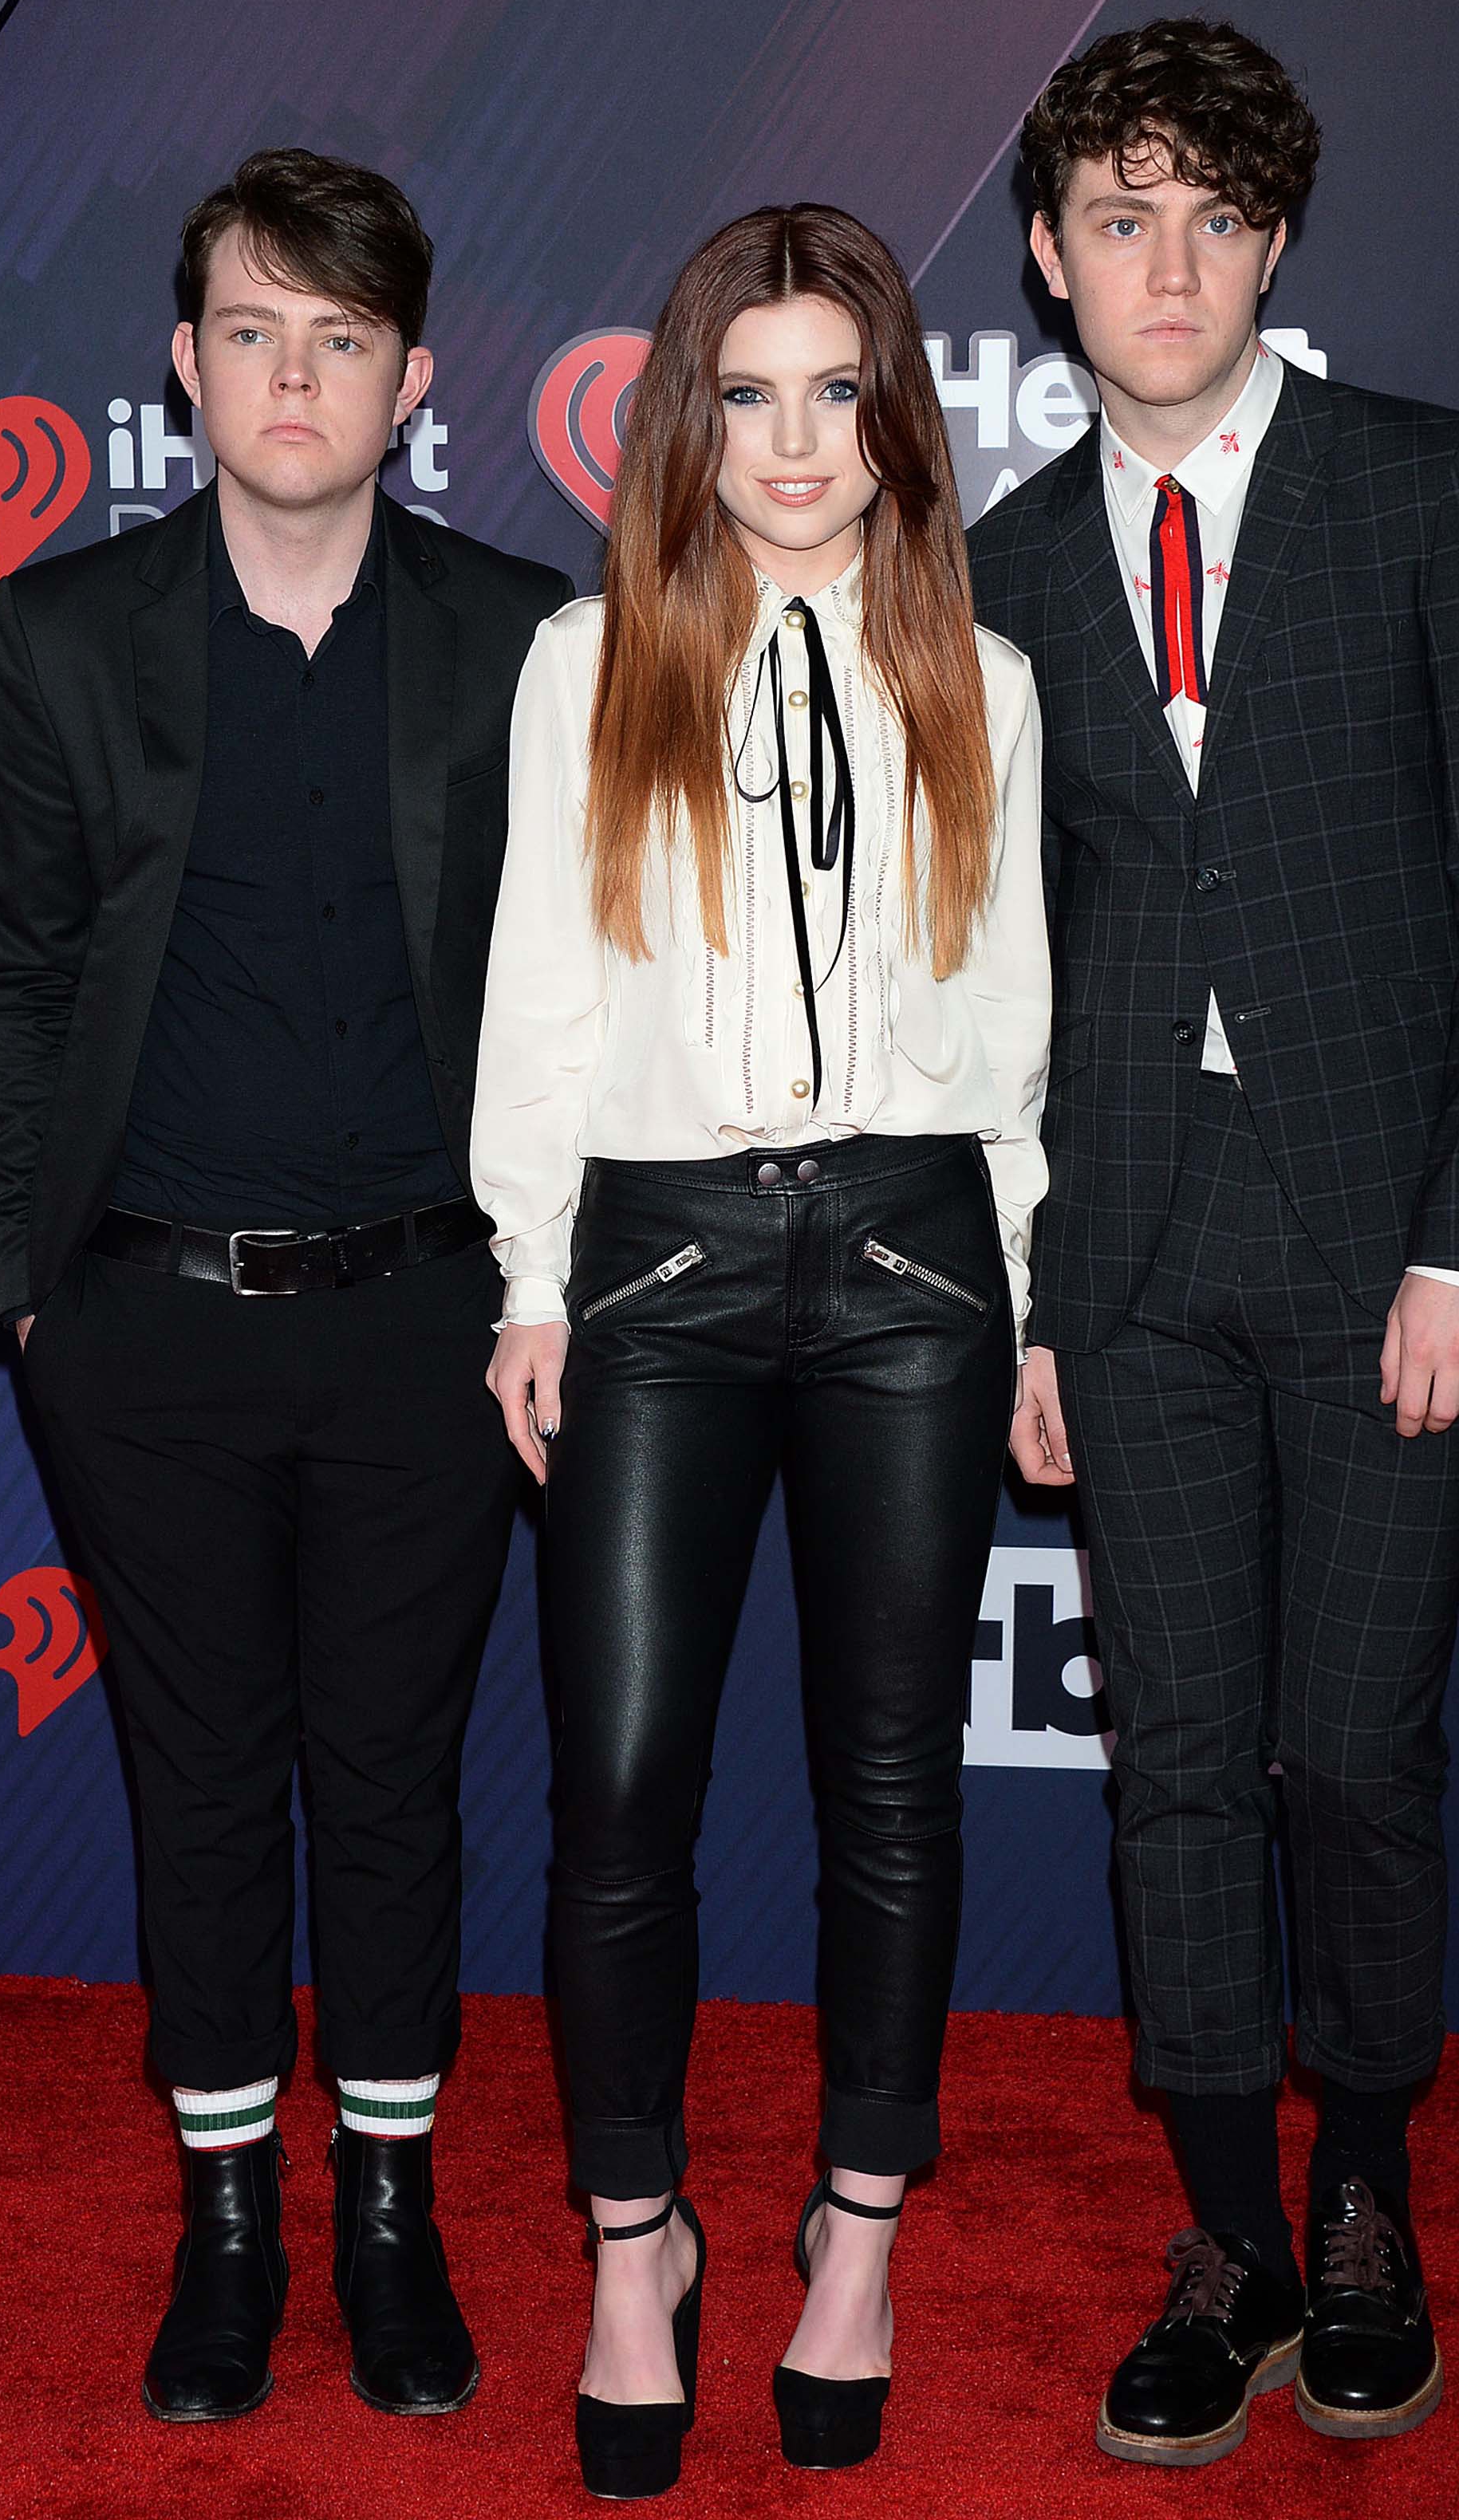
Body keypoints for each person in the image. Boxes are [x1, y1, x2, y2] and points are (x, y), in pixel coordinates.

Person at [968, 18, 1459, 2468]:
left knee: (1351, 1757)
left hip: (1383, 1239)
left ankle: (1361, 2194)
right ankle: (1222, 2232)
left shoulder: (1431, 488)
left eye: (1213, 219)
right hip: (1127, 1245)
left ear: (1272, 246)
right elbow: (989, 977)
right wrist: (1029, 1294)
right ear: (1045, 252)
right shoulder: (994, 570)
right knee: (1173, 1786)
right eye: (1117, 218)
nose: (1166, 264)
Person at [0, 148, 570, 2424]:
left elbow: (593, 987)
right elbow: (13, 984)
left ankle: (390, 2229)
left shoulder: (524, 635)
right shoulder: (62, 630)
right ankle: (228, 2233)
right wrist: (30, 1283)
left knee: (394, 1785)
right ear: (186, 362)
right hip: (143, 1326)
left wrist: (554, 1284)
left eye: (339, 340)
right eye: (251, 333)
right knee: (200, 1784)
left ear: (413, 379)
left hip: (433, 1319)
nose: (291, 378)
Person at [471, 203, 1049, 2498]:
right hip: (655, 1265)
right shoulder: (580, 657)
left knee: (890, 1786)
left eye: (835, 392)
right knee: (619, 1785)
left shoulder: (978, 682)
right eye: (747, 393)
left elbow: (1007, 1029)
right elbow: (540, 984)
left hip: (913, 1258)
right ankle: (634, 2246)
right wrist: (529, 1271)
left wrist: (1020, 1293)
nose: (793, 443)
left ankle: (855, 2237)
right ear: (684, 419)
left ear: (890, 416)